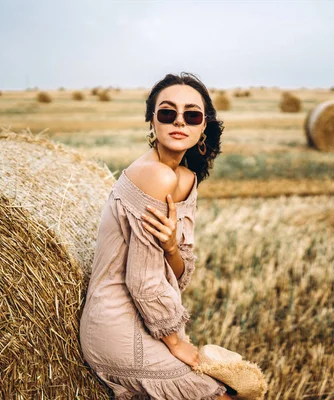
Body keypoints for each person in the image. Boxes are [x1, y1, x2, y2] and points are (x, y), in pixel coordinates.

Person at [79, 72, 231, 399]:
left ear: (203, 126)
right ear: (152, 121)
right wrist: (176, 342)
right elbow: (142, 280)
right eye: (167, 113)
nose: (179, 121)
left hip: (153, 319)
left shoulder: (187, 178)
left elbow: (180, 274)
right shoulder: (154, 175)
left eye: (191, 115)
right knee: (217, 395)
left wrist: (171, 247)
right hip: (117, 322)